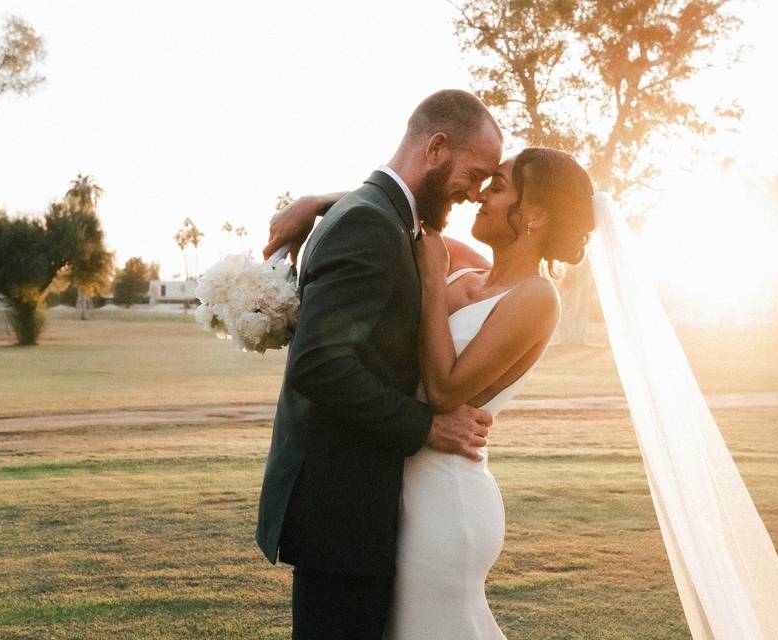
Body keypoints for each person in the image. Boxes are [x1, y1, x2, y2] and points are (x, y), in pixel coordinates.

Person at [267, 147, 596, 639]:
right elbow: (390, 208)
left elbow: (444, 390)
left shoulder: (535, 297)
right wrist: (315, 202)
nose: (481, 195)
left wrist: (428, 279)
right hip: (400, 482)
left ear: (535, 215)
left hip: (447, 497)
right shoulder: (464, 265)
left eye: (500, 186)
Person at [255, 89, 503, 640]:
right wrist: (428, 426)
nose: (476, 192)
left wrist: (318, 198)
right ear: (437, 147)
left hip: (353, 503)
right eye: (476, 172)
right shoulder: (370, 224)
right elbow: (319, 364)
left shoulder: (384, 217)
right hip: (341, 507)